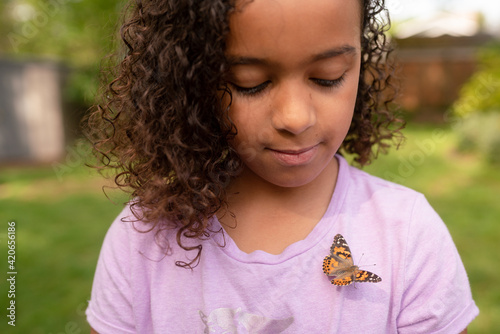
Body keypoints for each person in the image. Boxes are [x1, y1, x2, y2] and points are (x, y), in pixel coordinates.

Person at [85, 0, 479, 332]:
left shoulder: (408, 236)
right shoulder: (141, 239)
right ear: (192, 81)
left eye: (328, 77)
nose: (295, 117)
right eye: (249, 82)